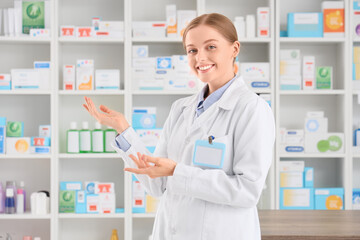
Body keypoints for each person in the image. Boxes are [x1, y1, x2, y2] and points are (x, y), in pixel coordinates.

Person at [83, 13, 275, 240]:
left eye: (211, 47)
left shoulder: (252, 109)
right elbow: (158, 184)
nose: (200, 58)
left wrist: (177, 171)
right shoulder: (180, 108)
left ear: (234, 49)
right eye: (192, 50)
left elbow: (247, 191)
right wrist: (124, 131)